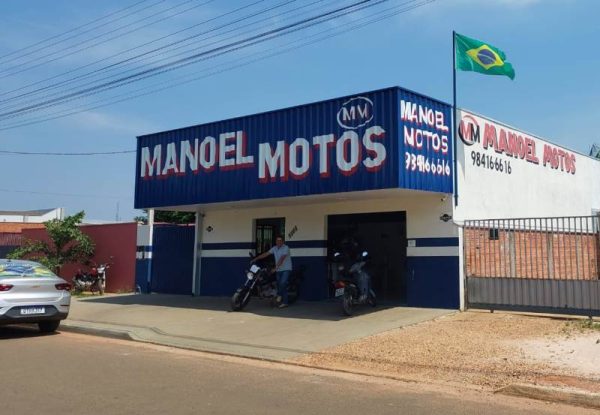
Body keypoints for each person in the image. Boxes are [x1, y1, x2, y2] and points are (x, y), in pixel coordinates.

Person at [251, 235, 292, 308]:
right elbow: (266, 254)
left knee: (282, 283)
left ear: (283, 241)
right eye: (277, 240)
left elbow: (282, 259)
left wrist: (275, 268)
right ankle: (282, 300)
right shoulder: (274, 248)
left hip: (286, 269)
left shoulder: (286, 248)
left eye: (280, 240)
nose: (278, 242)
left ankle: (281, 298)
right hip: (279, 270)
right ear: (276, 241)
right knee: (280, 285)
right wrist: (256, 258)